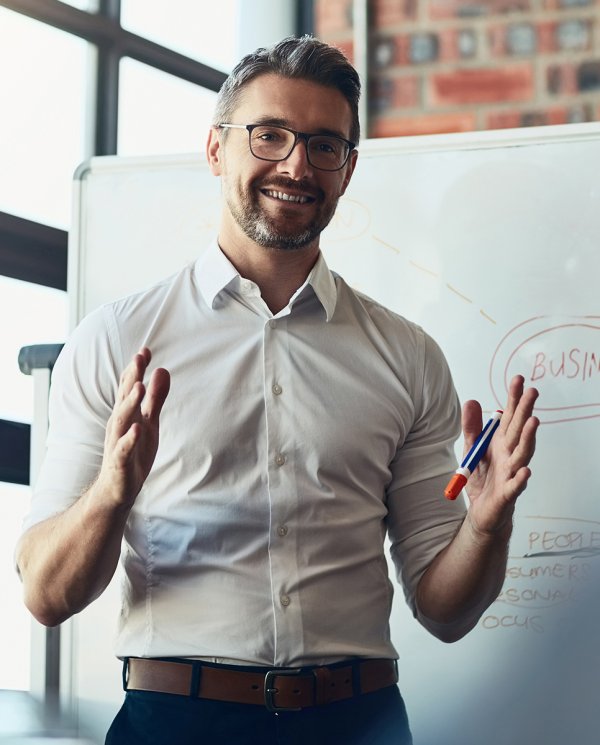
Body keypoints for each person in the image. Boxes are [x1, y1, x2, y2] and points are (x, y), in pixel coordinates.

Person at [16, 36, 539, 745]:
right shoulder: (115, 341)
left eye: (325, 145)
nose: (296, 164)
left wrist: (484, 527)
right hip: (175, 722)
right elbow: (47, 596)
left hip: (360, 723)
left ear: (347, 171)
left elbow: (445, 611)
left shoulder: (408, 356)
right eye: (270, 135)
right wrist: (111, 492)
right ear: (215, 150)